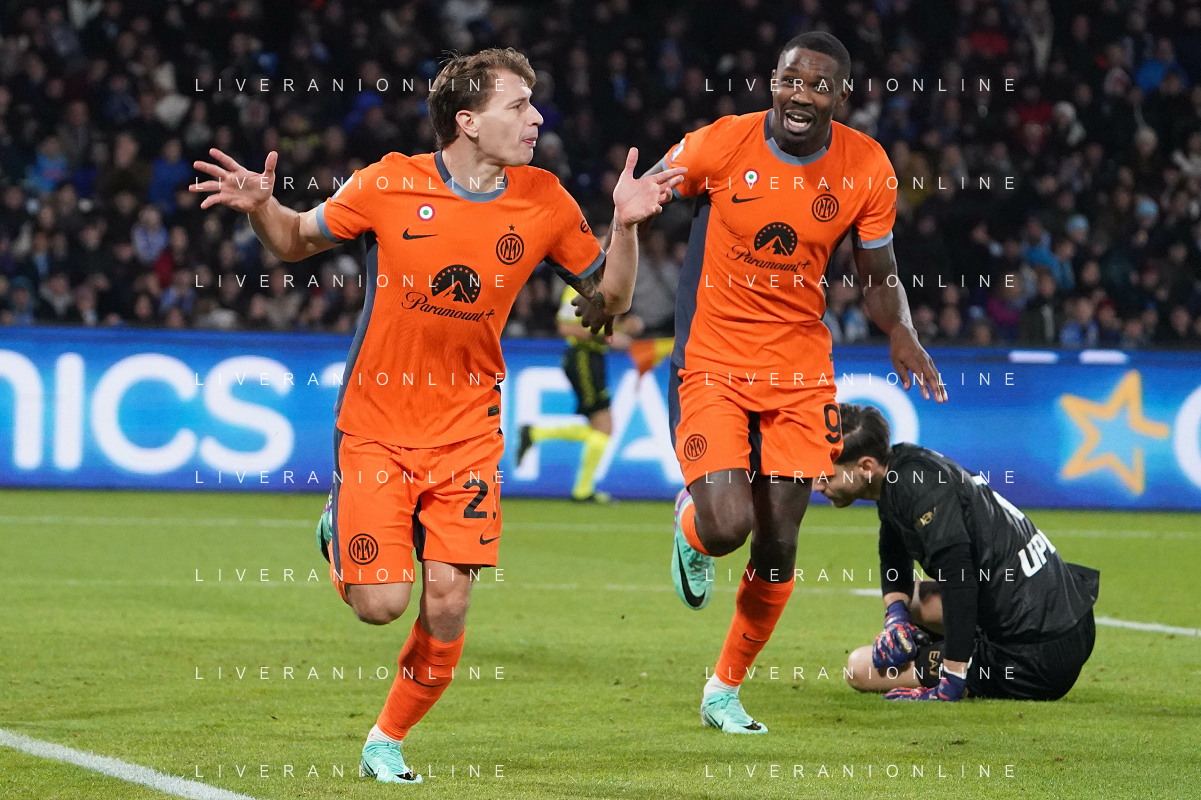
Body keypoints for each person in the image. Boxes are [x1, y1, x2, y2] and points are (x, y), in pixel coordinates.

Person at [190, 47, 684, 783]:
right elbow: (294, 240)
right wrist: (264, 206)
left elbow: (607, 302)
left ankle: (385, 740)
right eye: (518, 104)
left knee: (448, 604)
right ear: (468, 120)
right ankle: (340, 524)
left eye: (534, 103)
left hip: (468, 432)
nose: (536, 118)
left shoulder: (545, 199)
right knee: (381, 604)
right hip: (377, 423)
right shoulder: (387, 182)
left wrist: (626, 226)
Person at [579, 31, 945, 734]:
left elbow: (878, 273)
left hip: (799, 372)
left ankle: (723, 690)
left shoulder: (867, 167)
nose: (799, 95)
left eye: (817, 85)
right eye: (789, 80)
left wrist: (900, 328)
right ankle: (690, 529)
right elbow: (639, 200)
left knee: (777, 542)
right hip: (713, 358)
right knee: (726, 528)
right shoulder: (721, 143)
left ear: (841, 97)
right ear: (772, 81)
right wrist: (606, 275)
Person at [816, 403, 1099, 702]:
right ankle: (955, 646)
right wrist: (896, 618)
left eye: (827, 475)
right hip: (1070, 618)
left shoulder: (918, 491)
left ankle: (965, 661)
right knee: (912, 599)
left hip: (1034, 658)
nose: (817, 486)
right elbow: (894, 555)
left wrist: (951, 681)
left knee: (859, 668)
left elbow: (959, 585)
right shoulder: (905, 470)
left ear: (865, 467)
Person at [516, 281, 633, 503]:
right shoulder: (577, 290)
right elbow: (565, 328)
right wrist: (608, 337)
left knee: (600, 428)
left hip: (594, 358)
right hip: (582, 358)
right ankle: (582, 490)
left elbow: (602, 325)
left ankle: (535, 433)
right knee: (604, 426)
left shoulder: (604, 288)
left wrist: (625, 328)